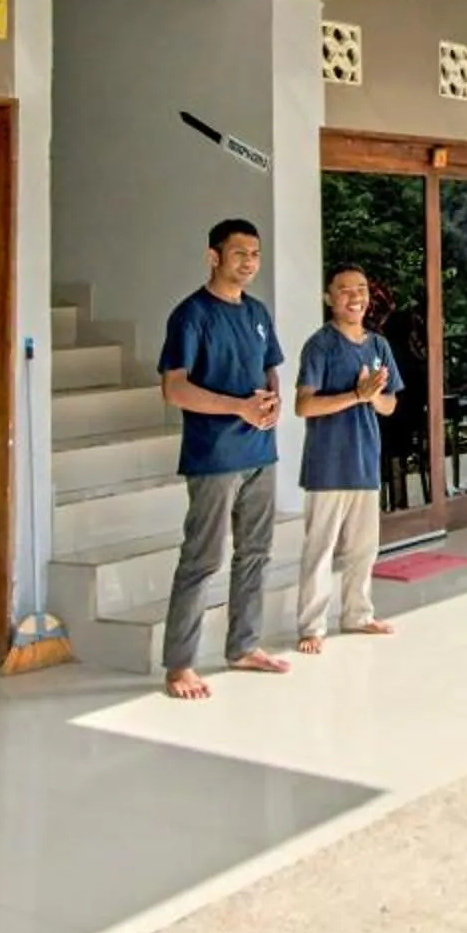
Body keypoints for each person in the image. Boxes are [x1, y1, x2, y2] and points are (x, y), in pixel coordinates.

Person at [157, 218, 286, 698]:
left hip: (261, 452)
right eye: (239, 254)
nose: (248, 262)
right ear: (214, 256)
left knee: (255, 553)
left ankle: (243, 647)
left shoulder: (257, 311)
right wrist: (239, 407)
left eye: (254, 254)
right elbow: (173, 389)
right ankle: (179, 666)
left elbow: (270, 367)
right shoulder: (191, 315)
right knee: (202, 559)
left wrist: (272, 402)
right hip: (214, 456)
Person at [290, 265, 404, 653]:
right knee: (320, 550)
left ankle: (358, 614)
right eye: (344, 290)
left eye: (361, 289)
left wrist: (371, 396)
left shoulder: (379, 345)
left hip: (365, 461)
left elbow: (389, 406)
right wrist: (355, 396)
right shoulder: (319, 345)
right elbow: (303, 406)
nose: (355, 297)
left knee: (364, 548)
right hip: (327, 465)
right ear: (328, 297)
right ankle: (311, 626)